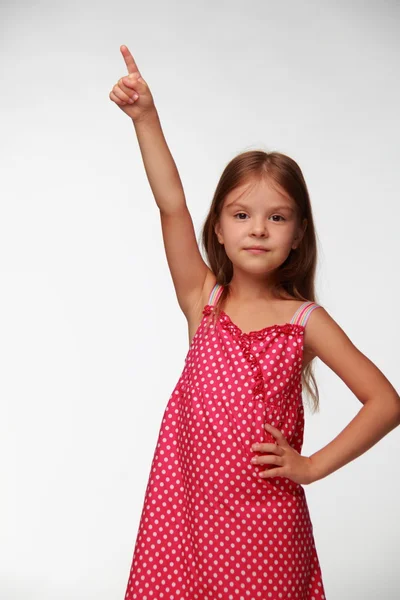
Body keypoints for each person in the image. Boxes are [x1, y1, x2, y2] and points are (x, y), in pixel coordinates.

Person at [110, 45, 400, 600]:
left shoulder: (305, 322)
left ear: (297, 235)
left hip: (266, 526)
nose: (259, 229)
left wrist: (311, 466)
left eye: (277, 217)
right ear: (218, 227)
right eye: (241, 215)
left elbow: (385, 401)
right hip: (186, 523)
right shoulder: (203, 299)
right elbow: (171, 205)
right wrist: (146, 118)